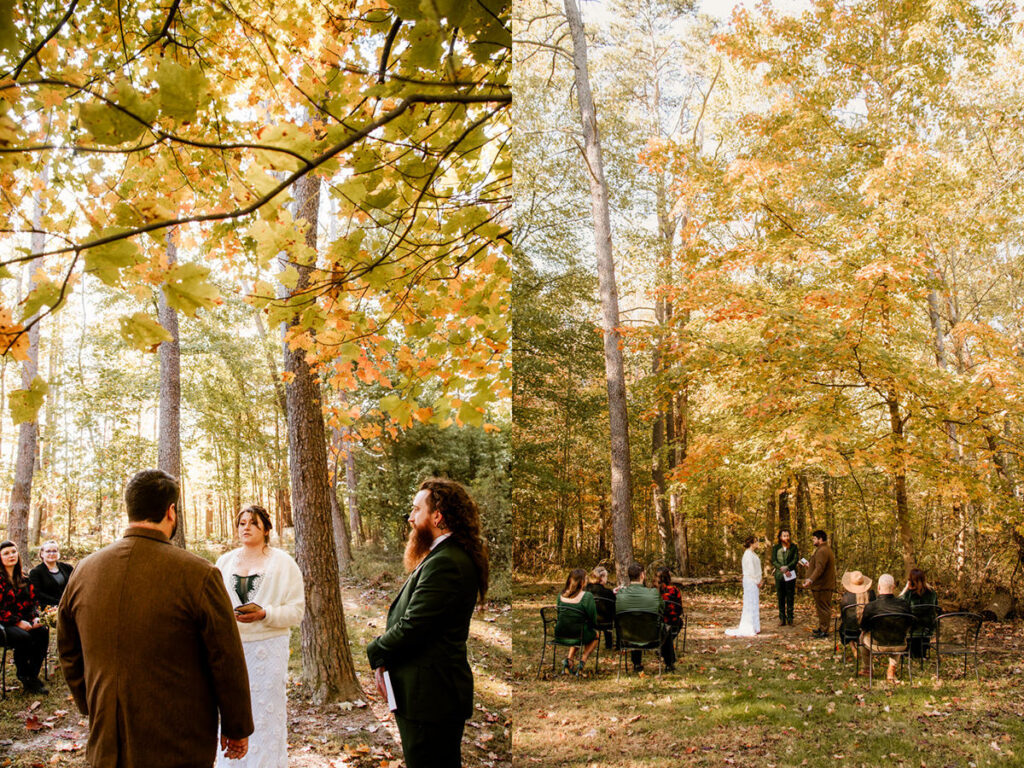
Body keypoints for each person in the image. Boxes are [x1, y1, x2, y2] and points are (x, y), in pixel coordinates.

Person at [58, 469, 253, 767]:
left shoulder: (84, 570)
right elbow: (225, 657)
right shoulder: (199, 574)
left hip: (107, 738)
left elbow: (67, 649)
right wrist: (236, 726)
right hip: (177, 739)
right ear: (171, 511)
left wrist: (92, 702)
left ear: (130, 509)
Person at [366, 478, 489, 768]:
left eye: (416, 509)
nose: (410, 517)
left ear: (437, 516)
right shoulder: (442, 555)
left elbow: (415, 625)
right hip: (424, 694)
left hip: (432, 697)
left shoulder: (447, 561)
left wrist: (376, 652)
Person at [215, 504, 305, 767]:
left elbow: (296, 611)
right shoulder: (224, 562)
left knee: (265, 716)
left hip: (269, 650)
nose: (246, 527)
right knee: (232, 715)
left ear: (266, 528)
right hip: (232, 650)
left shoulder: (283, 564)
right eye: (242, 523)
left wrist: (265, 613)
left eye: (253, 523)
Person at [0, 540, 49, 694]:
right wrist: (17, 622)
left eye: (13, 552)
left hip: (24, 621)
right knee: (24, 637)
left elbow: (33, 602)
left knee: (42, 632)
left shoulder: (24, 579)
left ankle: (32, 676)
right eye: (6, 553)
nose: (11, 555)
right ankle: (24, 676)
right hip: (4, 625)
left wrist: (35, 618)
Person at [859, 573, 915, 683]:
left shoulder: (871, 606)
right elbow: (910, 624)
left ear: (878, 587)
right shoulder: (904, 605)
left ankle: (867, 668)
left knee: (861, 638)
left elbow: (864, 626)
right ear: (893, 587)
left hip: (877, 644)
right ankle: (891, 669)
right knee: (898, 636)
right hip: (899, 645)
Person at [614, 562, 662, 673]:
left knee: (635, 623)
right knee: (661, 627)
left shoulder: (621, 594)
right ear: (642, 575)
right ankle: (669, 663)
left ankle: (636, 663)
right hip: (652, 638)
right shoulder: (653, 593)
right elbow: (661, 610)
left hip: (627, 638)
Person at [554, 568, 598, 674]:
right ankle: (583, 660)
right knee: (595, 635)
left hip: (560, 633)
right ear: (582, 582)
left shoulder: (560, 596)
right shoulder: (587, 596)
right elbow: (593, 618)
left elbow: (559, 613)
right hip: (579, 633)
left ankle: (569, 660)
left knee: (576, 630)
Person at [800, 529, 836, 638]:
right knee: (821, 608)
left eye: (814, 539)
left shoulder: (822, 550)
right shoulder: (823, 549)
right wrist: (809, 566)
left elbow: (820, 568)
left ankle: (824, 630)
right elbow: (818, 566)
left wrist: (810, 580)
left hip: (822, 586)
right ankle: (822, 627)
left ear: (820, 539)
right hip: (821, 585)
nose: (813, 541)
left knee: (824, 608)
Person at [839, 570, 875, 675]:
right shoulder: (871, 595)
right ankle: (858, 646)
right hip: (867, 630)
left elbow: (843, 615)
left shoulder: (846, 598)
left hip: (850, 630)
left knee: (843, 626)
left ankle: (852, 646)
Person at [725, 536, 762, 637]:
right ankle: (748, 627)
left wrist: (759, 580)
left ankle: (755, 626)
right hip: (750, 581)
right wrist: (757, 581)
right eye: (756, 541)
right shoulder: (747, 554)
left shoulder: (753, 554)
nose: (758, 543)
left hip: (754, 581)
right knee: (749, 603)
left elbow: (757, 569)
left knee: (754, 603)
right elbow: (750, 571)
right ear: (751, 543)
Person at [900, 568, 939, 658]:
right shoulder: (932, 593)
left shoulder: (908, 594)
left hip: (911, 630)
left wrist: (905, 589)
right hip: (927, 630)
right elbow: (936, 607)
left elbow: (899, 606)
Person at [28, 540, 74, 609]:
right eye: (48, 551)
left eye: (54, 551)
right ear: (42, 554)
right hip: (49, 607)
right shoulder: (35, 572)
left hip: (70, 605)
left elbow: (75, 586)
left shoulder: (67, 568)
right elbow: (38, 594)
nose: (52, 554)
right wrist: (60, 603)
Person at [656, 566, 683, 672]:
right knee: (674, 626)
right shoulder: (675, 590)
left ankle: (662, 646)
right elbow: (679, 609)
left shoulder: (654, 591)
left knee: (666, 628)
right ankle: (669, 662)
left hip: (658, 622)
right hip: (672, 622)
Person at [771, 528, 799, 625]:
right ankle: (782, 618)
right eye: (784, 535)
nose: (786, 537)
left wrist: (787, 568)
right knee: (781, 596)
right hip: (779, 574)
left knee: (790, 596)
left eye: (787, 535)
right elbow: (774, 560)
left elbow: (795, 560)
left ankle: (790, 618)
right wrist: (781, 568)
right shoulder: (776, 548)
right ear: (780, 537)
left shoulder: (794, 547)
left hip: (790, 573)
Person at [584, 566, 616, 650]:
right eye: (606, 577)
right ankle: (610, 644)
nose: (607, 579)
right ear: (601, 578)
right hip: (605, 622)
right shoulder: (608, 593)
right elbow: (613, 607)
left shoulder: (585, 590)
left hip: (588, 621)